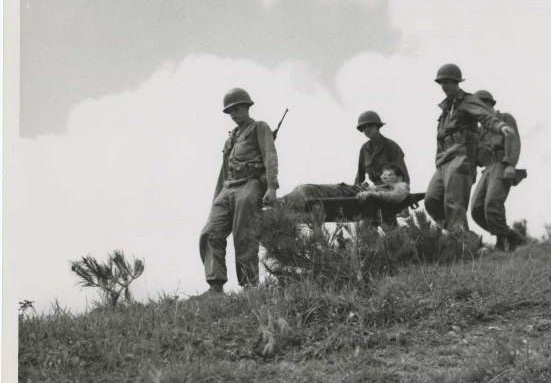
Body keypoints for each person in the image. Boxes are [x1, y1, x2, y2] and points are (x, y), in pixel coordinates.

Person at [197, 88, 279, 297]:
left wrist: (271, 187)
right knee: (209, 233)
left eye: (236, 109)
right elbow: (224, 171)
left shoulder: (259, 127)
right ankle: (215, 286)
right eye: (230, 111)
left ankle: (250, 287)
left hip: (250, 184)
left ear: (247, 107)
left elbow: (270, 156)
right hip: (229, 187)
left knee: (245, 235)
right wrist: (216, 199)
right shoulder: (230, 139)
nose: (233, 114)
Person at [424, 63, 515, 235]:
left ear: (456, 82)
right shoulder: (445, 109)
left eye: (447, 82)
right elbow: (440, 139)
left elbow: (485, 116)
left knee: (454, 204)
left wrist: (500, 126)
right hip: (443, 161)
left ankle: (462, 243)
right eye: (441, 83)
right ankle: (463, 235)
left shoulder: (466, 100)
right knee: (431, 200)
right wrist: (437, 162)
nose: (444, 86)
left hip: (460, 157)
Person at [281, 111, 409, 207]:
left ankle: (281, 203)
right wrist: (354, 193)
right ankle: (281, 203)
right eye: (363, 127)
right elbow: (360, 175)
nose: (367, 129)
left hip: (383, 191)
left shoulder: (391, 146)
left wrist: (404, 204)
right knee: (307, 190)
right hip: (365, 190)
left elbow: (402, 176)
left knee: (306, 190)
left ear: (377, 126)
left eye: (370, 125)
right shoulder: (365, 149)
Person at [470, 90, 528, 252]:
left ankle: (502, 242)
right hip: (487, 169)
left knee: (492, 202)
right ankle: (510, 235)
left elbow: (513, 140)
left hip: (502, 164)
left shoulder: (505, 119)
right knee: (476, 209)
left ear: (486, 104)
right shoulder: (481, 130)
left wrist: (510, 163)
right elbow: (476, 156)